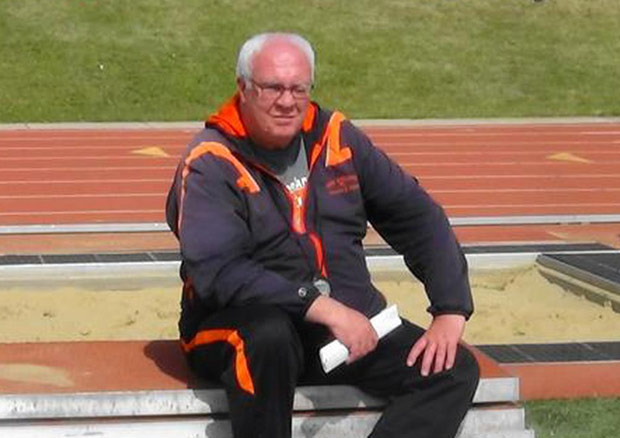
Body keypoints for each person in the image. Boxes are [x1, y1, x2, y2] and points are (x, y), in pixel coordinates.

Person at [166, 32, 479, 438]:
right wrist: (321, 307)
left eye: (298, 88)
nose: (287, 101)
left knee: (451, 370)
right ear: (243, 88)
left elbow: (417, 216)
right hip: (243, 331)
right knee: (268, 338)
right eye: (273, 87)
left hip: (344, 331)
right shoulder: (211, 160)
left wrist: (451, 308)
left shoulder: (336, 138)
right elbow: (219, 271)